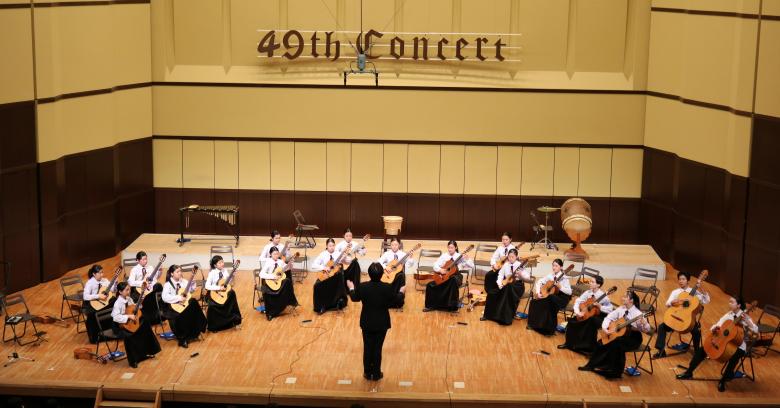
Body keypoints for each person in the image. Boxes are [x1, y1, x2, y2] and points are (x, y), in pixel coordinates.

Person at [676, 297, 759, 392]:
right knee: (703, 349)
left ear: (739, 305)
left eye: (732, 302)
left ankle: (723, 381)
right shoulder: (728, 315)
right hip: (723, 340)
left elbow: (756, 330)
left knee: (735, 356)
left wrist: (748, 322)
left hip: (738, 345)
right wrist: (714, 328)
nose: (729, 303)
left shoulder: (745, 317)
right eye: (729, 301)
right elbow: (717, 324)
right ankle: (689, 372)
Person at [347, 263, 406, 381]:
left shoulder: (363, 287)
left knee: (367, 347)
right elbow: (397, 299)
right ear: (381, 274)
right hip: (381, 322)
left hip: (367, 322)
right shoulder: (387, 287)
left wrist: (351, 287)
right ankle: (376, 373)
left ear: (369, 274)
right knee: (377, 348)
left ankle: (367, 373)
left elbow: (354, 298)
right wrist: (401, 291)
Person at [578, 290, 652, 378]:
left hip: (633, 338)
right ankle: (594, 365)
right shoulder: (621, 309)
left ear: (631, 300)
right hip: (620, 335)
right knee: (601, 342)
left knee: (615, 344)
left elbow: (647, 330)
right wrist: (605, 329)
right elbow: (609, 317)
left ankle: (614, 371)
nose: (622, 298)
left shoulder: (638, 314)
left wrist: (644, 323)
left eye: (625, 297)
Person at [653, 271, 710, 359]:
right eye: (679, 279)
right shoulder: (676, 292)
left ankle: (697, 353)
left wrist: (701, 287)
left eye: (683, 279)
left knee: (696, 331)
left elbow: (706, 300)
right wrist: (673, 302)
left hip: (688, 321)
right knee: (661, 327)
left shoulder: (694, 292)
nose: (681, 281)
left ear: (688, 281)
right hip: (676, 318)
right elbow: (667, 303)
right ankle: (661, 351)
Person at [111, 282, 162, 368]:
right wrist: (128, 316)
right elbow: (115, 317)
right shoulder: (117, 303)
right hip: (121, 325)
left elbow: (136, 308)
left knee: (145, 325)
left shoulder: (129, 299)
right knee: (130, 336)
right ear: (120, 292)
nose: (129, 291)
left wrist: (141, 300)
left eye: (129, 289)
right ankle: (133, 360)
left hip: (131, 323)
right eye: (126, 290)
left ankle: (146, 352)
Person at [558, 275, 614, 353]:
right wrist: (578, 312)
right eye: (590, 281)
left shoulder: (604, 297)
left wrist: (600, 307)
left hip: (597, 317)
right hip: (586, 314)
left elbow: (610, 310)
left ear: (598, 285)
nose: (590, 283)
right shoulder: (588, 292)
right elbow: (578, 301)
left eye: (592, 282)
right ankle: (568, 344)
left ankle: (585, 348)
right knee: (572, 321)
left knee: (587, 324)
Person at [160, 264, 207, 348]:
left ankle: (199, 328)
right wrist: (178, 298)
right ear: (171, 274)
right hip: (173, 306)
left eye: (180, 271)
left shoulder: (183, 281)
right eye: (177, 272)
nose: (180, 273)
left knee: (193, 302)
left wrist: (191, 282)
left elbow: (190, 291)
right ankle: (183, 339)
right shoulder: (168, 284)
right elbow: (164, 297)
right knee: (180, 315)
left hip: (184, 305)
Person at [482, 248, 529, 325]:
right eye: (509, 257)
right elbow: (500, 275)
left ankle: (505, 319)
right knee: (491, 293)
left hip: (517, 286)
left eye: (512, 257)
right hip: (506, 284)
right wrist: (500, 284)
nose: (510, 258)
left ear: (516, 257)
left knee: (508, 289)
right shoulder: (506, 264)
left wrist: (521, 275)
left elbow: (527, 277)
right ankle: (488, 315)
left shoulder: (519, 265)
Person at [424, 240, 473, 312]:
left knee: (452, 280)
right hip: (445, 277)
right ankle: (431, 306)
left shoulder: (460, 256)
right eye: (449, 247)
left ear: (455, 247)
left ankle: (451, 307)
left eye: (452, 247)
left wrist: (467, 259)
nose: (450, 249)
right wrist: (440, 270)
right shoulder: (444, 256)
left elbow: (472, 266)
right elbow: (435, 265)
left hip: (456, 277)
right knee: (429, 285)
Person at [527, 259, 572, 335]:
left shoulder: (564, 278)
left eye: (556, 266)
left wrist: (560, 287)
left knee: (549, 301)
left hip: (562, 298)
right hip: (551, 296)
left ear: (561, 267)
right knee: (534, 302)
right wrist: (538, 293)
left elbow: (570, 292)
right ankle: (534, 325)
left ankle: (548, 329)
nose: (554, 267)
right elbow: (539, 282)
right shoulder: (550, 275)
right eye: (553, 265)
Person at [258, 247, 299, 320]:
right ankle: (270, 313)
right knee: (266, 292)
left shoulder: (280, 262)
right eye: (274, 254)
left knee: (287, 281)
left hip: (278, 283)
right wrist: (273, 276)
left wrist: (290, 265)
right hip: (270, 282)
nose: (276, 255)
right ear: (270, 254)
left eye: (277, 254)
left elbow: (286, 269)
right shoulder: (268, 262)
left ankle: (291, 302)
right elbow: (261, 274)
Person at [204, 255, 243, 331]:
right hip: (214, 294)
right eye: (219, 263)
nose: (222, 264)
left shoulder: (225, 270)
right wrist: (219, 288)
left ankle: (235, 321)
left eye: (222, 262)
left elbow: (228, 282)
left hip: (224, 294)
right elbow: (207, 286)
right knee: (212, 306)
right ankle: (215, 326)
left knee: (232, 293)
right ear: (215, 265)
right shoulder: (212, 273)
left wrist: (232, 276)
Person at [311, 238, 349, 314]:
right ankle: (320, 306)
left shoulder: (338, 253)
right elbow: (313, 265)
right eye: (330, 246)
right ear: (326, 246)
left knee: (339, 276)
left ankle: (337, 303)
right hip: (326, 275)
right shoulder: (323, 254)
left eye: (333, 245)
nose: (332, 247)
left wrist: (345, 257)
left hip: (335, 277)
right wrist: (324, 267)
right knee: (316, 286)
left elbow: (347, 262)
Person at [376, 237, 414, 309]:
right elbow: (379, 261)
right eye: (393, 245)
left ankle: (398, 300)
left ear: (399, 245)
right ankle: (386, 301)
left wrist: (411, 258)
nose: (394, 246)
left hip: (398, 276)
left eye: (396, 245)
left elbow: (409, 265)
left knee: (401, 275)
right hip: (388, 274)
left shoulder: (403, 254)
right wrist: (385, 267)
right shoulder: (387, 254)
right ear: (390, 245)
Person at [127, 251, 163, 325]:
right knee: (143, 299)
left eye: (146, 259)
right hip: (139, 290)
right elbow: (130, 282)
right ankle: (145, 320)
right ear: (138, 260)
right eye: (143, 259)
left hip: (149, 290)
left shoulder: (150, 267)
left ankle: (156, 317)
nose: (145, 261)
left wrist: (159, 271)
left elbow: (156, 278)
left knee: (158, 286)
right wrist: (142, 283)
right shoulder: (134, 269)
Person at [82, 265, 113, 343]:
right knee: (92, 315)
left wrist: (115, 284)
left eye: (102, 272)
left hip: (103, 302)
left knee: (115, 303)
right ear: (94, 274)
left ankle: (111, 330)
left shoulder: (104, 280)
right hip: (91, 303)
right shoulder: (90, 283)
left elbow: (112, 289)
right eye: (100, 273)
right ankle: (96, 336)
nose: (102, 274)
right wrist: (98, 296)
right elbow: (85, 296)